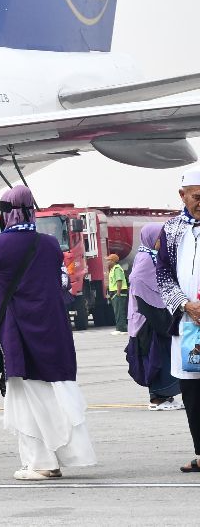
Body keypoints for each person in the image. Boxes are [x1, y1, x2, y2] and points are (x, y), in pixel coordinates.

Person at [0, 185, 95, 481]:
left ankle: (42, 462)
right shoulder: (50, 244)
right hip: (53, 328)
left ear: (5, 212)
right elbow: (63, 283)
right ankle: (56, 457)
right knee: (54, 392)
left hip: (18, 331)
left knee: (26, 398)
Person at [156, 170, 200, 473]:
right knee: (193, 394)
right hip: (188, 324)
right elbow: (163, 275)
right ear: (182, 195)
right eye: (197, 197)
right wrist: (185, 305)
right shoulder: (171, 230)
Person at [126, 224, 180, 410]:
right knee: (156, 358)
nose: (162, 242)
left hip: (155, 315)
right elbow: (139, 283)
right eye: (160, 238)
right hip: (147, 319)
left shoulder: (152, 256)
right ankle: (158, 399)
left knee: (163, 356)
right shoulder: (145, 260)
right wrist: (158, 315)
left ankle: (166, 397)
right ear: (151, 238)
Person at [107, 254, 129, 335]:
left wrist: (118, 293)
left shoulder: (117, 269)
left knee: (120, 311)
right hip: (115, 293)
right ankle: (119, 328)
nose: (107, 262)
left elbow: (119, 281)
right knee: (117, 312)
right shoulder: (113, 269)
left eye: (109, 260)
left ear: (113, 261)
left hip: (118, 293)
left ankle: (122, 329)